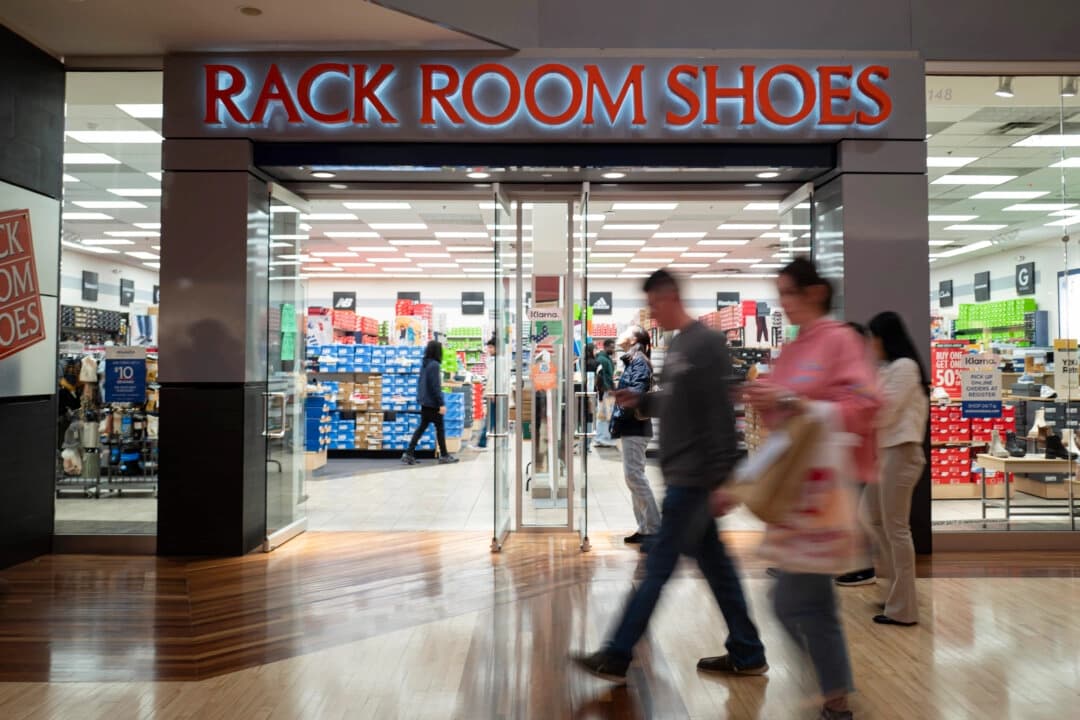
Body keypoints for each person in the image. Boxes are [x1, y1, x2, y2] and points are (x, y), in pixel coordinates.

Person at [573, 270, 767, 682]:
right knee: (718, 569)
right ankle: (748, 650)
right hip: (682, 474)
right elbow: (679, 401)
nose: (652, 314)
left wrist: (723, 478)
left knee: (657, 568)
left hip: (695, 480)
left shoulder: (707, 344)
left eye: (655, 304)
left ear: (671, 297)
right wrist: (641, 401)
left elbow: (719, 414)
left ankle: (617, 652)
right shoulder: (678, 345)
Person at [738, 258, 880, 720]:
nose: (782, 303)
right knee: (809, 603)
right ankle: (835, 693)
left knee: (791, 602)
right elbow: (785, 425)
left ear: (815, 292)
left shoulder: (840, 340)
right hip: (796, 495)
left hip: (823, 495)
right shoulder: (795, 347)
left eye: (788, 293)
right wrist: (767, 401)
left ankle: (833, 689)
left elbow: (865, 405)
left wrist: (791, 401)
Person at [862, 311, 929, 627]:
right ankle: (893, 592)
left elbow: (884, 412)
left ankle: (903, 608)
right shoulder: (887, 369)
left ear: (884, 338)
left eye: (873, 338)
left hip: (901, 453)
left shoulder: (905, 367)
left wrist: (863, 407)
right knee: (870, 516)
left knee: (897, 529)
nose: (870, 345)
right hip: (885, 454)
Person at [833, 321, 878, 588]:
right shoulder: (854, 371)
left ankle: (865, 568)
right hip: (848, 453)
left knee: (859, 513)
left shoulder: (864, 375)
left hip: (860, 454)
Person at [609, 327, 661, 545]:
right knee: (633, 477)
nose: (621, 334)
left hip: (635, 427)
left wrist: (620, 411)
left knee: (635, 477)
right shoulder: (634, 361)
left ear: (633, 339)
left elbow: (636, 394)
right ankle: (645, 527)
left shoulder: (639, 362)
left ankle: (654, 529)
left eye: (626, 332)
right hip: (633, 427)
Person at [402, 340, 459, 465]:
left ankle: (409, 453)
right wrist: (441, 403)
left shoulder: (425, 364)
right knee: (440, 428)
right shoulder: (434, 365)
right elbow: (435, 386)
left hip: (425, 402)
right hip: (433, 403)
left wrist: (421, 399)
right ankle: (444, 455)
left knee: (422, 427)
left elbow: (420, 384)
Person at [593, 339, 617, 448]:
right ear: (606, 347)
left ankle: (602, 438)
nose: (613, 349)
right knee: (605, 415)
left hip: (607, 391)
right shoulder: (602, 359)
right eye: (612, 347)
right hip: (605, 392)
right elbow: (601, 377)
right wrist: (608, 388)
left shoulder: (606, 358)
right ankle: (603, 438)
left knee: (604, 415)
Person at [476, 336, 497, 451]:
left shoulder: (497, 362)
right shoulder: (492, 360)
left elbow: (495, 378)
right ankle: (484, 442)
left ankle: (482, 443)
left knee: (490, 419)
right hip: (493, 394)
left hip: (495, 394)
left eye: (491, 347)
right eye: (488, 347)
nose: (489, 349)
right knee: (493, 419)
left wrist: (494, 392)